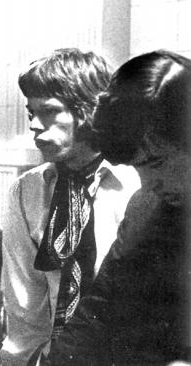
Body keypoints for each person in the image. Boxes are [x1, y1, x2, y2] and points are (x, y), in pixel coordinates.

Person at [48, 50, 191, 365]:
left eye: (157, 162)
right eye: (141, 167)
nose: (152, 181)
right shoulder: (147, 205)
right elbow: (97, 308)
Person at [0, 48, 141, 366]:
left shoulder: (139, 185)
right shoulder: (27, 191)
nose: (34, 125)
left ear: (90, 110)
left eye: (48, 111)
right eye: (30, 112)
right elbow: (25, 312)